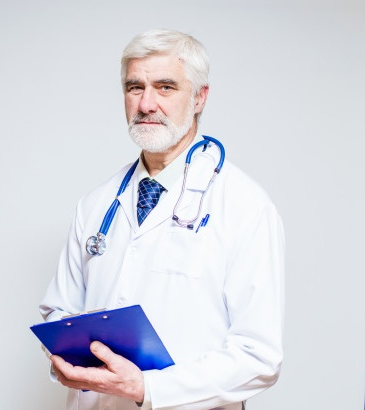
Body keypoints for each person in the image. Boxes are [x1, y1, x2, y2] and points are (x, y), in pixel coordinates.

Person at [39, 29, 285, 410]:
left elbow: (259, 357)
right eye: (134, 87)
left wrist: (147, 388)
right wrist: (63, 356)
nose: (146, 103)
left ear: (200, 97)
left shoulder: (245, 206)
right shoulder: (95, 204)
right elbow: (59, 314)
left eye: (165, 87)